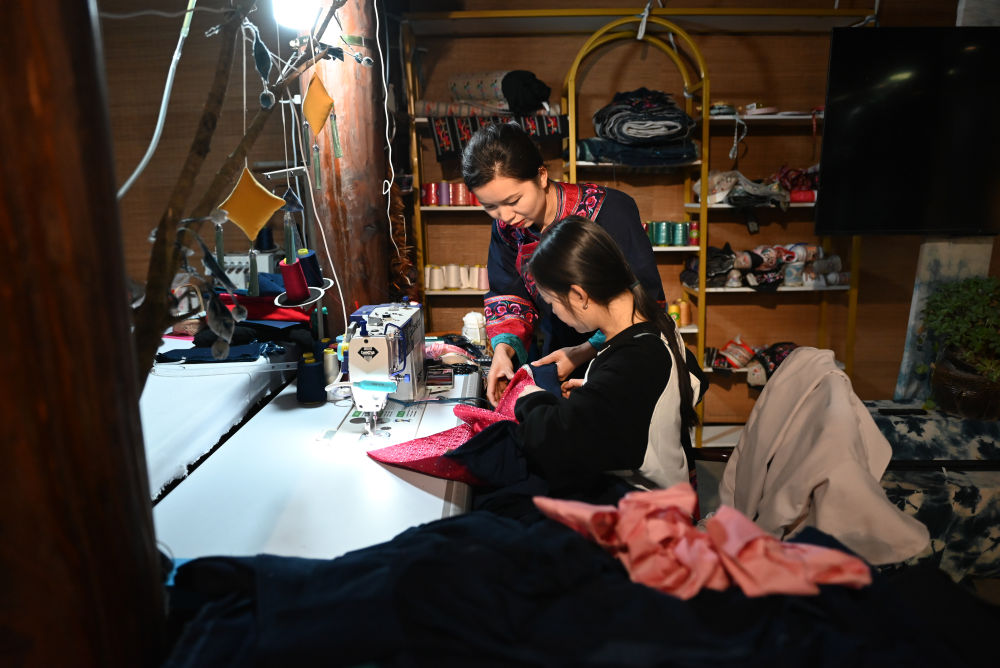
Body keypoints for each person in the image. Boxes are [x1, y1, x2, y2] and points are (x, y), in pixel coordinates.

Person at [461, 122, 663, 406]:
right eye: (490, 206)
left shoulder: (610, 211)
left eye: (514, 200)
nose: (505, 216)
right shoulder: (508, 228)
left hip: (621, 352)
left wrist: (584, 351)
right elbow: (509, 291)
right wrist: (503, 352)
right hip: (555, 351)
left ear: (542, 176)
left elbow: (644, 298)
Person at [513, 216, 705, 492]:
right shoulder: (657, 322)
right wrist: (601, 393)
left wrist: (528, 396)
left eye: (552, 302)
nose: (553, 312)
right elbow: (690, 383)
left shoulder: (636, 358)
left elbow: (558, 444)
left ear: (579, 295)